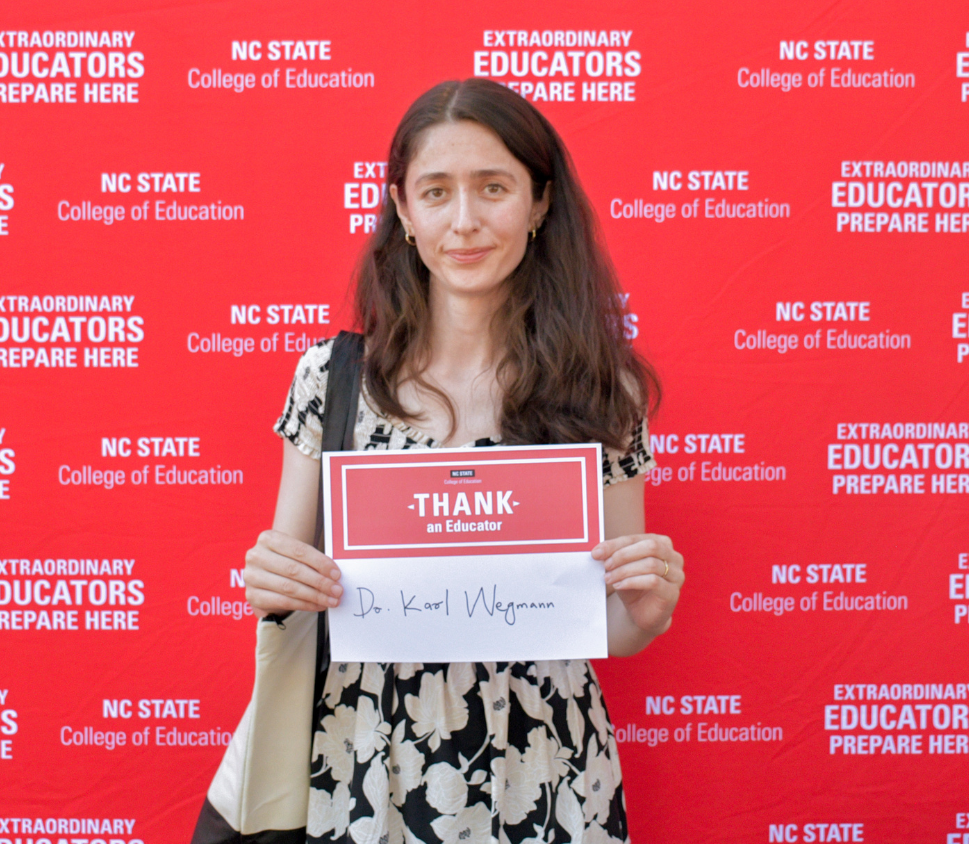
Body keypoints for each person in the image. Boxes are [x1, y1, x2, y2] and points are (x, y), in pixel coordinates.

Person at [246, 78, 684, 844]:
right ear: (404, 211)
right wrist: (271, 580)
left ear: (541, 204)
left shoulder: (599, 389)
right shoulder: (333, 377)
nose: (466, 221)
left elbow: (610, 627)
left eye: (494, 188)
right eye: (437, 192)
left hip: (545, 768)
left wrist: (646, 613)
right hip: (363, 764)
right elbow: (285, 588)